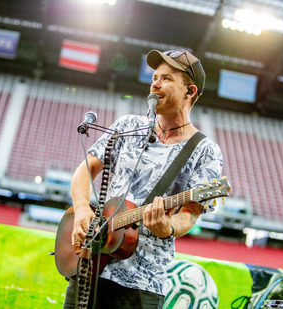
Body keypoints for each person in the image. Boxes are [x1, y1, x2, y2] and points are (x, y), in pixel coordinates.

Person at [63, 49, 223, 309]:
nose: (155, 83)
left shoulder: (206, 151)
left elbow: (190, 213)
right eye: (155, 77)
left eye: (167, 79)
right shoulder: (127, 126)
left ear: (190, 91)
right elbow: (84, 170)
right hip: (90, 266)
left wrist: (168, 227)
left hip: (142, 282)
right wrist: (81, 209)